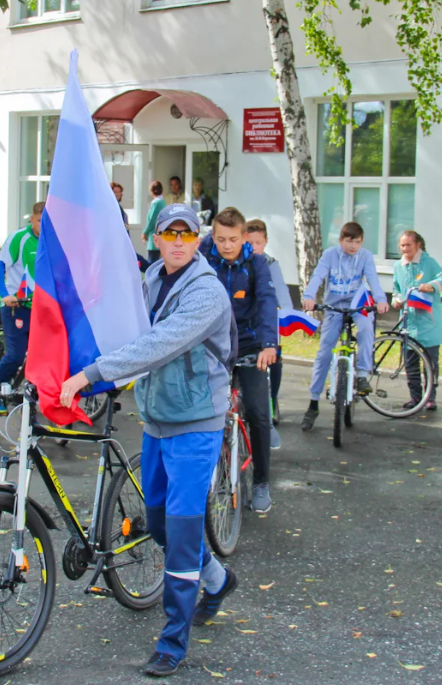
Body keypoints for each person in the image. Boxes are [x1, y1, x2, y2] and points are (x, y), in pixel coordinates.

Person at [57, 204, 236, 678]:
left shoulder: (208, 293)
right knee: (156, 523)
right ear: (156, 238)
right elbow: (125, 335)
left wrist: (93, 375)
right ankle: (215, 580)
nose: (178, 241)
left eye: (187, 233)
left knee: (178, 534)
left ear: (198, 240)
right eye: (169, 233)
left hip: (197, 424)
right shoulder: (152, 278)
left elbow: (157, 345)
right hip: (157, 420)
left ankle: (173, 640)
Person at [199, 208, 278, 511]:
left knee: (259, 414)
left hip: (249, 347)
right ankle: (206, 473)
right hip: (215, 348)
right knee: (204, 412)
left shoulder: (257, 264)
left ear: (244, 237)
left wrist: (269, 345)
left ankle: (261, 481)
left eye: (233, 239)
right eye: (220, 239)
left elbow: (267, 303)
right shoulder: (205, 259)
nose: (227, 246)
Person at [300, 221, 388, 430]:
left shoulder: (365, 256)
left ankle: (363, 375)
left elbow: (373, 279)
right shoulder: (330, 255)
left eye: (357, 242)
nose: (353, 246)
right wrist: (309, 296)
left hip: (357, 304)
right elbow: (318, 276)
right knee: (324, 353)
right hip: (334, 306)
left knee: (366, 328)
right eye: (350, 241)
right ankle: (313, 403)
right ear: (341, 240)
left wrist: (381, 299)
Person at [0, 202, 43, 407]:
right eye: (39, 220)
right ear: (32, 219)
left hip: (41, 309)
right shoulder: (20, 238)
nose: (43, 224)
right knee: (16, 355)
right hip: (16, 305)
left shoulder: (52, 241)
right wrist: (4, 294)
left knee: (44, 355)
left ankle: (32, 398)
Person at [390, 230, 442, 411]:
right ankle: (415, 397)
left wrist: (431, 286)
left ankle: (430, 397)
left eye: (408, 245)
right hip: (408, 322)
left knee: (431, 363)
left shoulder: (429, 263)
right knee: (410, 364)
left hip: (428, 323)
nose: (405, 249)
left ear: (418, 245)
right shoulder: (398, 266)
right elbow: (396, 288)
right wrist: (395, 300)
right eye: (402, 245)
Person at [245, 218, 289, 445]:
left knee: (275, 358)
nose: (254, 247)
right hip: (244, 323)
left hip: (265, 320)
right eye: (249, 242)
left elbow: (281, 294)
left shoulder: (271, 264)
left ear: (265, 242)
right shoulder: (239, 263)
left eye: (258, 243)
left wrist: (286, 313)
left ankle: (271, 400)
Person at [142, 180, 166, 263]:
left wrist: (145, 232)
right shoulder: (161, 202)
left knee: (152, 262)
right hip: (158, 236)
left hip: (154, 236)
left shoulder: (157, 203)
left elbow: (152, 220)